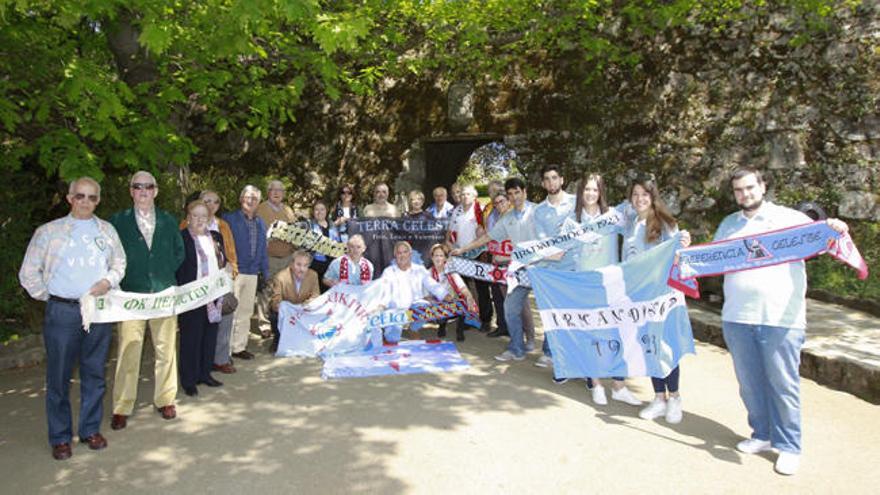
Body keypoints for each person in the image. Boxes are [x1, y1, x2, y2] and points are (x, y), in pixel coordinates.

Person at [714, 167, 848, 476]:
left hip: (781, 318)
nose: (745, 194)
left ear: (762, 186)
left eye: (750, 187)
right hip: (736, 316)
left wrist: (836, 227)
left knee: (783, 384)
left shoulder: (790, 219)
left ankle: (789, 446)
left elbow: (824, 238)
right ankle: (762, 434)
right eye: (738, 190)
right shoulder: (728, 225)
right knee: (749, 384)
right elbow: (712, 258)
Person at [19, 177, 126, 460]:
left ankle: (90, 429)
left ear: (98, 200)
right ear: (69, 198)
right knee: (59, 377)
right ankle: (60, 437)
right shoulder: (49, 232)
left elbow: (119, 263)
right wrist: (54, 296)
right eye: (80, 196)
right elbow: (28, 273)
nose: (86, 202)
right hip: (63, 313)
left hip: (99, 311)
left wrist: (108, 281)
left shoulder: (107, 230)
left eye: (92, 197)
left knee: (94, 373)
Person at [109, 171, 185, 429]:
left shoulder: (168, 220)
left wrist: (162, 275)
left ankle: (165, 399)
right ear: (131, 191)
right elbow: (110, 255)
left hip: (163, 294)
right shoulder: (118, 221)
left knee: (166, 349)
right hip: (131, 296)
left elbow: (178, 252)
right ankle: (122, 406)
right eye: (138, 186)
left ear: (156, 190)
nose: (143, 191)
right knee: (129, 349)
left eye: (148, 186)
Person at [618, 176, 691, 424]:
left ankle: (675, 398)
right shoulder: (630, 225)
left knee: (666, 347)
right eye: (635, 194)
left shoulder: (665, 223)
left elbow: (679, 255)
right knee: (649, 346)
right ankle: (659, 397)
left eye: (644, 195)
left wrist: (684, 243)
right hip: (638, 297)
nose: (640, 199)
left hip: (662, 297)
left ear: (652, 197)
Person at [570, 173, 642, 407]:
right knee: (591, 335)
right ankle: (597, 384)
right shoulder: (573, 221)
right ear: (581, 193)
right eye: (587, 189)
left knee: (617, 334)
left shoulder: (614, 217)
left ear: (601, 193)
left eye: (595, 189)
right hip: (585, 286)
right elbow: (557, 249)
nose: (590, 194)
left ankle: (619, 386)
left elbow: (642, 218)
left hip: (611, 284)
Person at [452, 177, 537, 362]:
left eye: (516, 193)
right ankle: (517, 347)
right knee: (511, 307)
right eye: (510, 194)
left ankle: (542, 347)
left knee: (537, 308)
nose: (512, 198)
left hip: (535, 267)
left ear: (524, 192)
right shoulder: (504, 220)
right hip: (508, 268)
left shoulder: (535, 212)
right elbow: (487, 238)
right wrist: (463, 249)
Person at [182, 190, 239, 374]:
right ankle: (193, 374)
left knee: (215, 328)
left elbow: (228, 255)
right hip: (194, 291)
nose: (211, 205)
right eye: (207, 201)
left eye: (215, 202)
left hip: (216, 289)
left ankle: (213, 366)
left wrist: (231, 271)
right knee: (194, 334)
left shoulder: (220, 230)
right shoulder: (184, 230)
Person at [176, 200, 227, 397]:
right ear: (188, 218)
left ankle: (205, 374)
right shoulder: (181, 238)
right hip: (191, 296)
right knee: (191, 338)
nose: (199, 220)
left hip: (213, 295)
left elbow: (222, 260)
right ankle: (189, 380)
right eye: (195, 216)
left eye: (203, 216)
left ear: (209, 219)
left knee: (209, 336)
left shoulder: (215, 237)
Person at [531, 165, 578, 374]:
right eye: (547, 179)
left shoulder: (577, 202)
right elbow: (544, 243)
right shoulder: (539, 211)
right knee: (553, 312)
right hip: (551, 268)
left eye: (554, 178)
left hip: (576, 267)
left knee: (575, 313)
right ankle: (550, 352)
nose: (551, 182)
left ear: (562, 180)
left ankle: (575, 355)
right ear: (543, 184)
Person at [223, 185, 270, 360]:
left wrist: (265, 272)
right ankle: (224, 350)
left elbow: (263, 250)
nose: (251, 201)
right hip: (234, 271)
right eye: (248, 197)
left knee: (245, 312)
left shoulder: (260, 223)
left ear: (258, 202)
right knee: (230, 312)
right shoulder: (229, 219)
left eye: (255, 199)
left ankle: (239, 347)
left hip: (252, 272)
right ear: (241, 198)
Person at [378, 241, 450, 344]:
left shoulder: (419, 269)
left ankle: (413, 329)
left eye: (405, 252)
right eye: (399, 253)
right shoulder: (388, 272)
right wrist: (381, 306)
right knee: (392, 340)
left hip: (414, 307)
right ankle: (389, 332)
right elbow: (383, 292)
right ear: (395, 255)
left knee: (425, 307)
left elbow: (433, 285)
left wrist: (446, 295)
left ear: (410, 254)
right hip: (395, 310)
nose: (402, 255)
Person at [255, 180, 297, 339]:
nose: (277, 193)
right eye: (273, 190)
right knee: (266, 290)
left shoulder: (288, 210)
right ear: (268, 192)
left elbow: (295, 232)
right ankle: (264, 324)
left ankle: (282, 321)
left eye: (280, 190)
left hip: (287, 256)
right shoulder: (261, 209)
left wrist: (294, 251)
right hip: (268, 256)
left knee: (284, 290)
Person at [446, 184, 487, 338]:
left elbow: (485, 233)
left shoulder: (481, 210)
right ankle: (467, 317)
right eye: (462, 194)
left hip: (477, 253)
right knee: (463, 288)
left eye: (468, 194)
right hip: (460, 253)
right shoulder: (456, 211)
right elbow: (450, 232)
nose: (465, 196)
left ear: (474, 196)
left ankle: (485, 319)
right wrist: (449, 245)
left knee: (481, 288)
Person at [270, 250, 321, 352]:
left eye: (305, 265)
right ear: (292, 264)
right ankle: (278, 339)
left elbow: (316, 296)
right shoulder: (280, 277)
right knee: (273, 314)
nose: (301, 269)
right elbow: (276, 299)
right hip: (287, 312)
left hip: (304, 309)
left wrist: (303, 306)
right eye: (298, 264)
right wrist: (283, 306)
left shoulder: (313, 275)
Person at [429, 244, 477, 341]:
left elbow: (462, 287)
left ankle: (460, 330)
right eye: (436, 255)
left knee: (464, 302)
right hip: (435, 304)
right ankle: (442, 325)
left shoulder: (451, 272)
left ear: (445, 258)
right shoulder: (428, 273)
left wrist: (469, 296)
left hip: (452, 303)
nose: (438, 258)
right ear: (432, 257)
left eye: (441, 255)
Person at [307, 200, 341, 292]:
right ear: (313, 212)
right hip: (316, 264)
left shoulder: (333, 226)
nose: (319, 212)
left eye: (322, 209)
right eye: (316, 210)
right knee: (317, 292)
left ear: (326, 211)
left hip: (332, 265)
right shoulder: (309, 226)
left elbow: (339, 244)